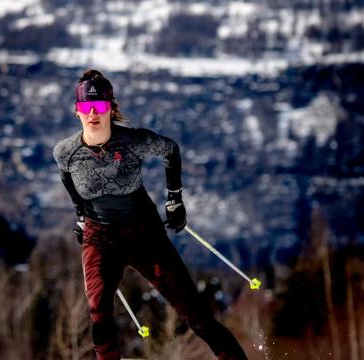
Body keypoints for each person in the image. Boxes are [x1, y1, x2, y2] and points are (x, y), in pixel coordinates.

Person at [53, 69, 249, 360]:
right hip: (100, 236)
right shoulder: (65, 152)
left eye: (100, 106)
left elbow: (170, 150)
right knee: (98, 309)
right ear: (76, 111)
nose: (93, 113)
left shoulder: (133, 141)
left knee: (195, 314)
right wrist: (81, 215)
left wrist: (174, 201)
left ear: (111, 107)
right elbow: (69, 182)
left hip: (144, 234)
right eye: (85, 107)